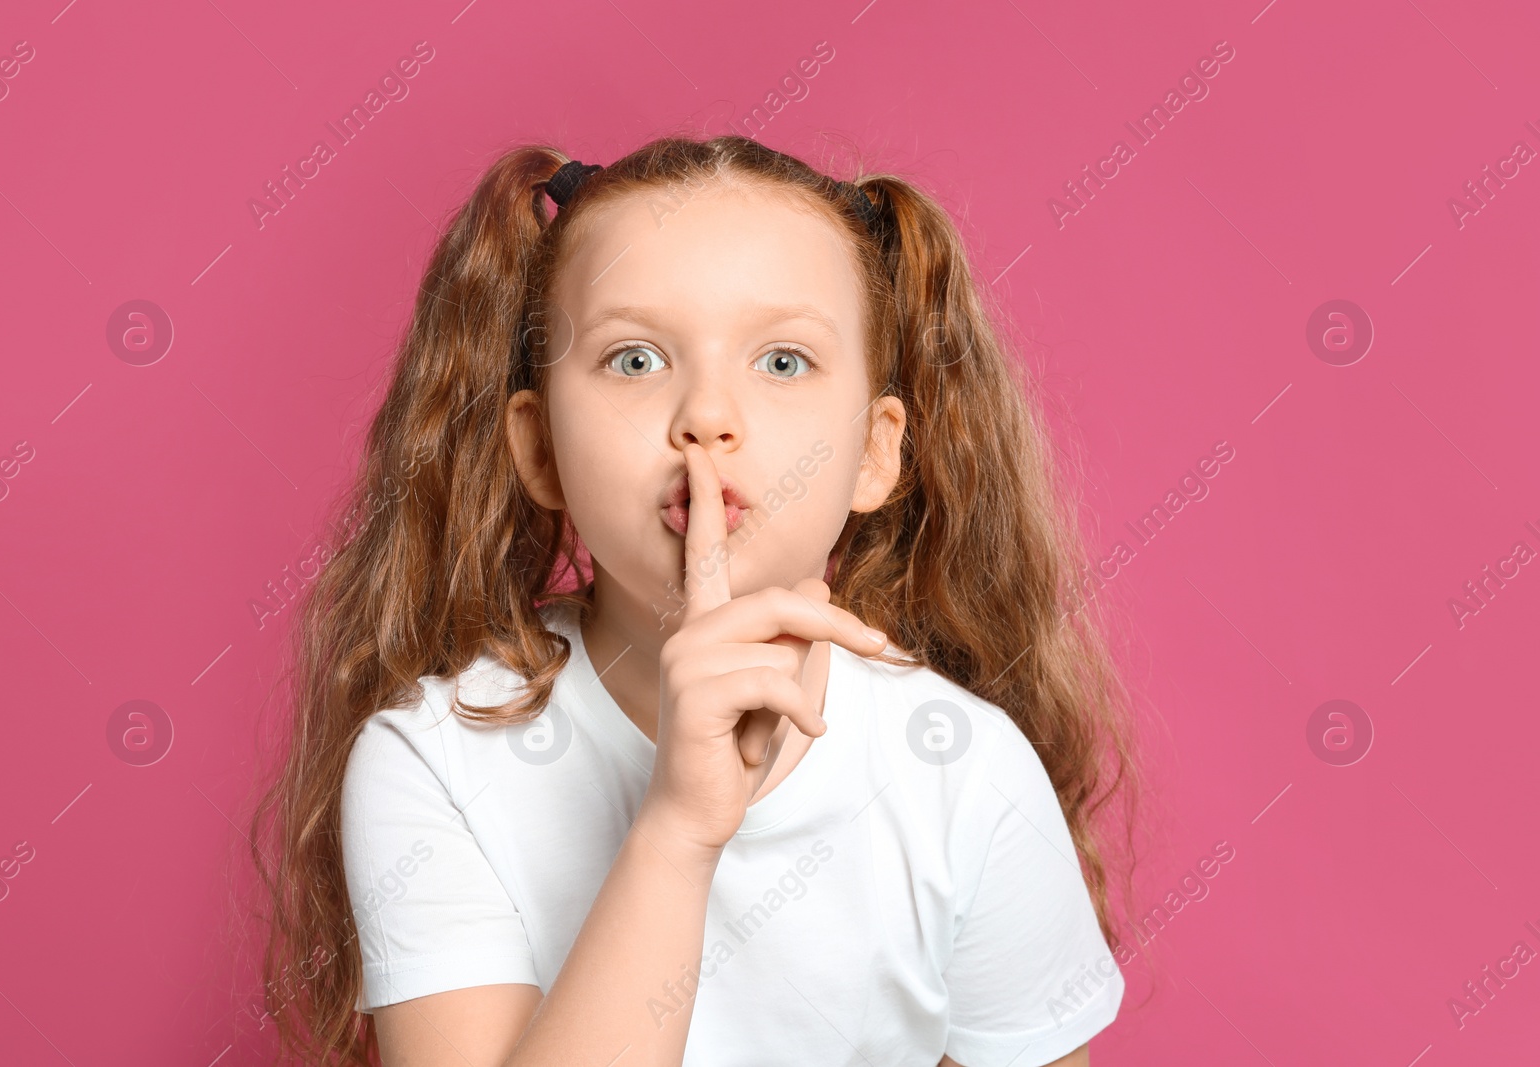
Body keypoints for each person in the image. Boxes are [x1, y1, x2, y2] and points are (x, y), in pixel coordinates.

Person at [251, 133, 1140, 1067]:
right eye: (635, 360)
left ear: (878, 452)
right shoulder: (435, 759)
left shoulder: (964, 768)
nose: (706, 416)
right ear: (541, 447)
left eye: (784, 361)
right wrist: (678, 827)